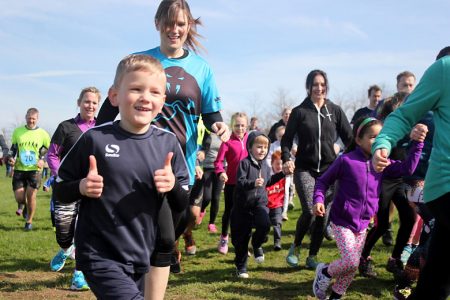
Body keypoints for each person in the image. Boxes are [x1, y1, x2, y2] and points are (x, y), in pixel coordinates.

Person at [96, 0, 230, 290]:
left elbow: (211, 111)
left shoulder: (202, 69)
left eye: (181, 24)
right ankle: (133, 283)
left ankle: (141, 274)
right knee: (160, 236)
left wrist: (218, 124)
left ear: (188, 26)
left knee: (174, 225)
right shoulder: (141, 61)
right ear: (157, 24)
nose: (175, 29)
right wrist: (96, 137)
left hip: (181, 163)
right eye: (169, 23)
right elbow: (114, 102)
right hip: (138, 156)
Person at [53, 54, 189, 300]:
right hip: (99, 254)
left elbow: (182, 203)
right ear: (114, 96)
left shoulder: (167, 143)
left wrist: (172, 186)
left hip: (140, 255)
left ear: (163, 101)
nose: (146, 97)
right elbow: (60, 189)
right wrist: (82, 186)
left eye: (155, 92)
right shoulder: (95, 139)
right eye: (136, 89)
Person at [311, 117, 425, 300]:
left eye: (382, 137)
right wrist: (318, 200)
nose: (378, 142)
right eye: (373, 137)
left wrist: (417, 143)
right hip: (342, 221)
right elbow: (323, 181)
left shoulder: (381, 163)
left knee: (352, 266)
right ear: (358, 139)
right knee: (350, 261)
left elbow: (408, 168)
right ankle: (324, 272)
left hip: (363, 224)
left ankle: (336, 296)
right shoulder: (345, 161)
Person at [371, 47, 450, 300]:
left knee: (436, 278)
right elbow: (404, 115)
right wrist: (383, 143)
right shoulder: (444, 69)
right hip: (444, 185)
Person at [281, 69, 353, 269]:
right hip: (305, 168)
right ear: (308, 87)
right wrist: (287, 158)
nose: (319, 88)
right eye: (315, 84)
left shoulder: (335, 110)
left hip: (330, 170)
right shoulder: (300, 111)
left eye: (322, 84)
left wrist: (355, 158)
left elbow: (350, 138)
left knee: (323, 214)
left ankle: (312, 256)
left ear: (326, 86)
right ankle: (295, 246)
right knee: (310, 211)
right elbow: (286, 140)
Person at [47, 86, 101, 291]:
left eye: (94, 102)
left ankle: (79, 275)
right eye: (87, 101)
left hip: (91, 188)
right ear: (79, 103)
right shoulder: (65, 127)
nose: (90, 105)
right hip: (67, 187)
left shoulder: (101, 128)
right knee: (64, 233)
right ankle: (65, 249)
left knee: (85, 231)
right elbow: (52, 155)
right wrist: (60, 176)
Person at [358, 92, 417, 279]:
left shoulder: (410, 127)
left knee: (409, 218)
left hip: (400, 180)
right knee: (382, 224)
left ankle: (395, 259)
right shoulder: (385, 128)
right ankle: (363, 257)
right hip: (382, 181)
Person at [230, 131, 285, 278]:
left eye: (265, 147)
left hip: (260, 204)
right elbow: (240, 182)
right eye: (259, 147)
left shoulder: (266, 167)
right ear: (250, 148)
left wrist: (282, 174)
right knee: (241, 239)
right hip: (243, 207)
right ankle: (241, 267)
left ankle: (256, 244)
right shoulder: (245, 163)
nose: (262, 150)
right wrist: (252, 183)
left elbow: (268, 182)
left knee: (265, 225)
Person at [6, 108, 50, 230]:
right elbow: (13, 148)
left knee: (31, 196)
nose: (31, 121)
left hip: (34, 170)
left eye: (33, 119)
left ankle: (29, 221)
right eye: (29, 118)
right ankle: (24, 206)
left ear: (37, 119)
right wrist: (10, 157)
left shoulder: (43, 133)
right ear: (26, 117)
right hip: (20, 168)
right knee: (19, 197)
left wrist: (42, 159)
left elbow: (48, 149)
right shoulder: (18, 131)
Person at [214, 112, 249, 255]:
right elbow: (218, 162)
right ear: (231, 126)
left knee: (245, 214)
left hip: (247, 183)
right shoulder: (227, 141)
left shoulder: (250, 139)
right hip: (231, 183)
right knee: (229, 212)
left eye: (242, 125)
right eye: (236, 125)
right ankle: (224, 237)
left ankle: (241, 243)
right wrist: (221, 172)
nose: (240, 128)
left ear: (246, 126)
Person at [198, 131, 224, 233]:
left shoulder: (224, 135)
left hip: (220, 169)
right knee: (207, 197)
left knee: (216, 198)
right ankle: (202, 210)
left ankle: (211, 223)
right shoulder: (207, 133)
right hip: (207, 167)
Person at [266, 150, 287, 251]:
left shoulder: (286, 178)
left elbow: (287, 193)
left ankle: (277, 242)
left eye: (282, 164)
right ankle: (263, 237)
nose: (280, 166)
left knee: (277, 223)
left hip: (277, 205)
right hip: (266, 205)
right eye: (277, 164)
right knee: (264, 223)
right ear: (272, 164)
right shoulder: (268, 176)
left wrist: (285, 209)